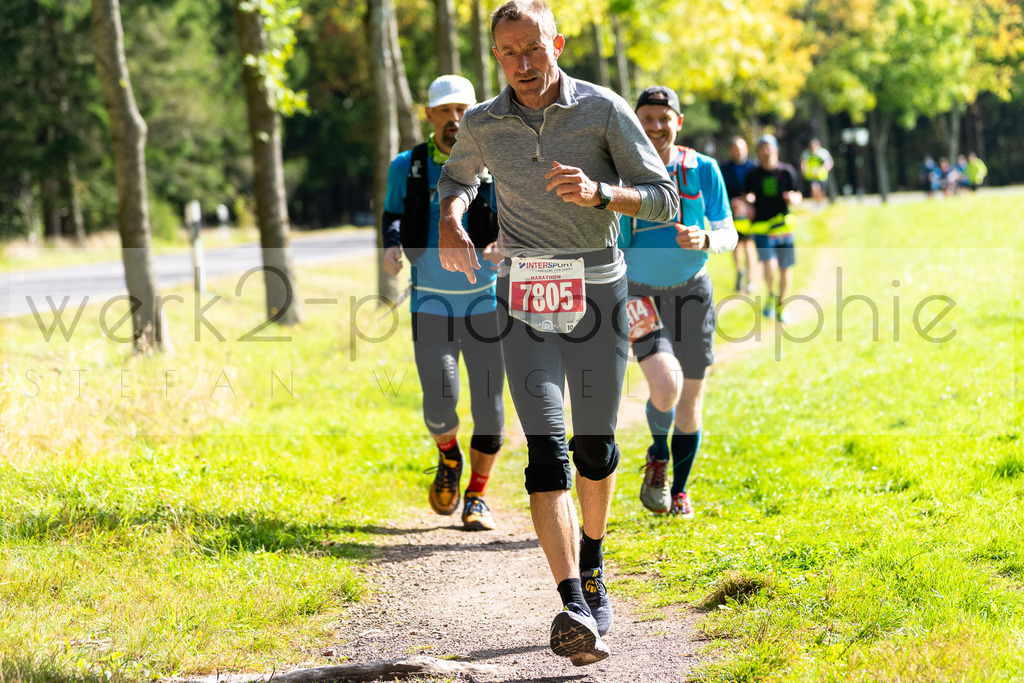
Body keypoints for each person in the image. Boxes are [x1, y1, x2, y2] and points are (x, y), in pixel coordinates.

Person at [436, 0, 678, 666]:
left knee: (594, 449)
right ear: (495, 57)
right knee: (547, 454)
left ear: (558, 45)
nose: (521, 65)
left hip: (598, 293)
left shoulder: (602, 109)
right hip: (524, 297)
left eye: (533, 50)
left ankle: (594, 564)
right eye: (507, 54)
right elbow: (456, 178)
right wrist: (452, 219)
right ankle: (573, 600)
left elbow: (661, 195)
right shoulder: (483, 122)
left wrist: (602, 193)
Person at [381, 74, 506, 532]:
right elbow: (392, 216)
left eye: (462, 111)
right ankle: (448, 456)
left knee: (491, 408)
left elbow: (521, 215)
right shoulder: (407, 166)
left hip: (488, 304)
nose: (455, 120)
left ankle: (476, 496)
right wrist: (391, 248)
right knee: (440, 400)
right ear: (429, 115)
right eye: (445, 112)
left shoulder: (496, 160)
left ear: (474, 112)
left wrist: (505, 244)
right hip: (430, 305)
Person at [620, 86, 737, 519]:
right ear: (636, 121)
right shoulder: (621, 169)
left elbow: (729, 230)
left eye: (663, 118)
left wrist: (706, 237)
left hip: (693, 289)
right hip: (639, 291)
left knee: (689, 399)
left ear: (678, 122)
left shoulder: (702, 169)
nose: (655, 127)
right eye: (646, 118)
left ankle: (680, 492)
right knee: (665, 388)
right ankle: (657, 453)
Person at [744, 134, 801, 323]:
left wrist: (794, 198)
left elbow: (798, 193)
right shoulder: (753, 174)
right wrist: (747, 204)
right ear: (758, 152)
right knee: (769, 264)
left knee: (785, 268)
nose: (766, 151)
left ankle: (781, 305)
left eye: (769, 147)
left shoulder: (787, 172)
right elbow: (747, 196)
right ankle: (770, 294)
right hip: (761, 226)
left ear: (776, 150)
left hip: (782, 225)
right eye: (762, 148)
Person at [720, 136, 757, 293]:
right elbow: (720, 191)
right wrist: (731, 202)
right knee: (735, 244)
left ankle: (750, 279)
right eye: (735, 149)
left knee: (748, 245)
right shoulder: (724, 168)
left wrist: (750, 199)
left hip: (749, 212)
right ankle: (739, 271)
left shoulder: (753, 167)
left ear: (746, 150)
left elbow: (757, 190)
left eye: (740, 149)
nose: (738, 152)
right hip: (732, 211)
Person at [800, 138, 833, 209]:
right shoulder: (807, 153)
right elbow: (803, 163)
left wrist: (822, 170)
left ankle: (820, 204)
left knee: (821, 191)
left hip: (822, 176)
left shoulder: (823, 153)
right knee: (814, 188)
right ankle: (816, 204)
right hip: (812, 176)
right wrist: (804, 171)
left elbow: (829, 163)